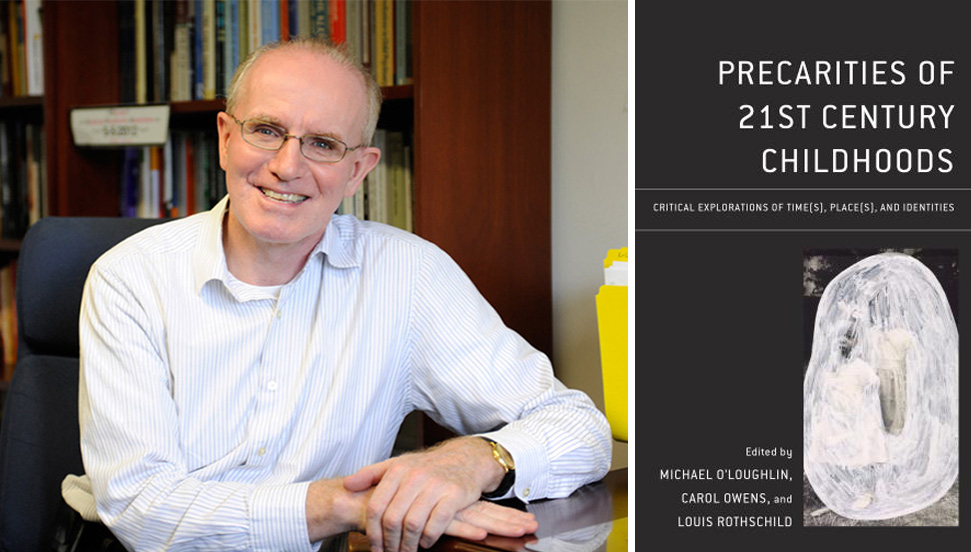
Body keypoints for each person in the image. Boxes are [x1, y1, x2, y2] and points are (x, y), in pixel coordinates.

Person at [61, 38, 611, 552]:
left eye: (322, 144)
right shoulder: (130, 276)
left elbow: (579, 426)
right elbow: (143, 508)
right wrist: (355, 504)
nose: (287, 166)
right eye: (266, 130)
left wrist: (474, 460)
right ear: (226, 138)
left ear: (357, 171)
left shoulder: (407, 274)